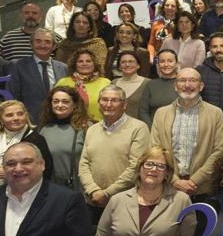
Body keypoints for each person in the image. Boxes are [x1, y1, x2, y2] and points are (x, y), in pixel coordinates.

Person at [150, 68, 223, 197]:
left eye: (193, 80)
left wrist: (195, 180)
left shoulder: (216, 113)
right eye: (182, 80)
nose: (187, 85)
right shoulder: (161, 114)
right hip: (168, 187)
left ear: (201, 86)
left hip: (203, 189)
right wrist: (174, 180)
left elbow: (221, 150)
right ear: (175, 86)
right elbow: (155, 149)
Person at [78, 84, 150, 220]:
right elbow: (84, 164)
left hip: (126, 202)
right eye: (104, 100)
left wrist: (107, 193)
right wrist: (93, 190)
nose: (108, 104)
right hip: (92, 201)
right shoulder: (92, 129)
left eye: (114, 100)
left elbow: (136, 166)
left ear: (124, 104)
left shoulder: (139, 128)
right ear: (99, 103)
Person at [0, 99, 53, 195]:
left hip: (24, 195)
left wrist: (9, 174)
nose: (16, 118)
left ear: (26, 115)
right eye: (9, 115)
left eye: (20, 114)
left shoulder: (36, 139)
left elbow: (46, 171)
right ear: (0, 118)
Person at [38, 86, 89, 189]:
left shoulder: (86, 128)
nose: (60, 105)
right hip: (51, 189)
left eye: (65, 101)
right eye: (56, 101)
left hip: (79, 189)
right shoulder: (44, 129)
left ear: (74, 104)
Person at [54, 49, 110, 123]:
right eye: (80, 61)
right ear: (75, 64)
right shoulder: (63, 82)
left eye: (88, 61)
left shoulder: (106, 82)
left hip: (99, 126)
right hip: (68, 126)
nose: (84, 64)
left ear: (94, 64)